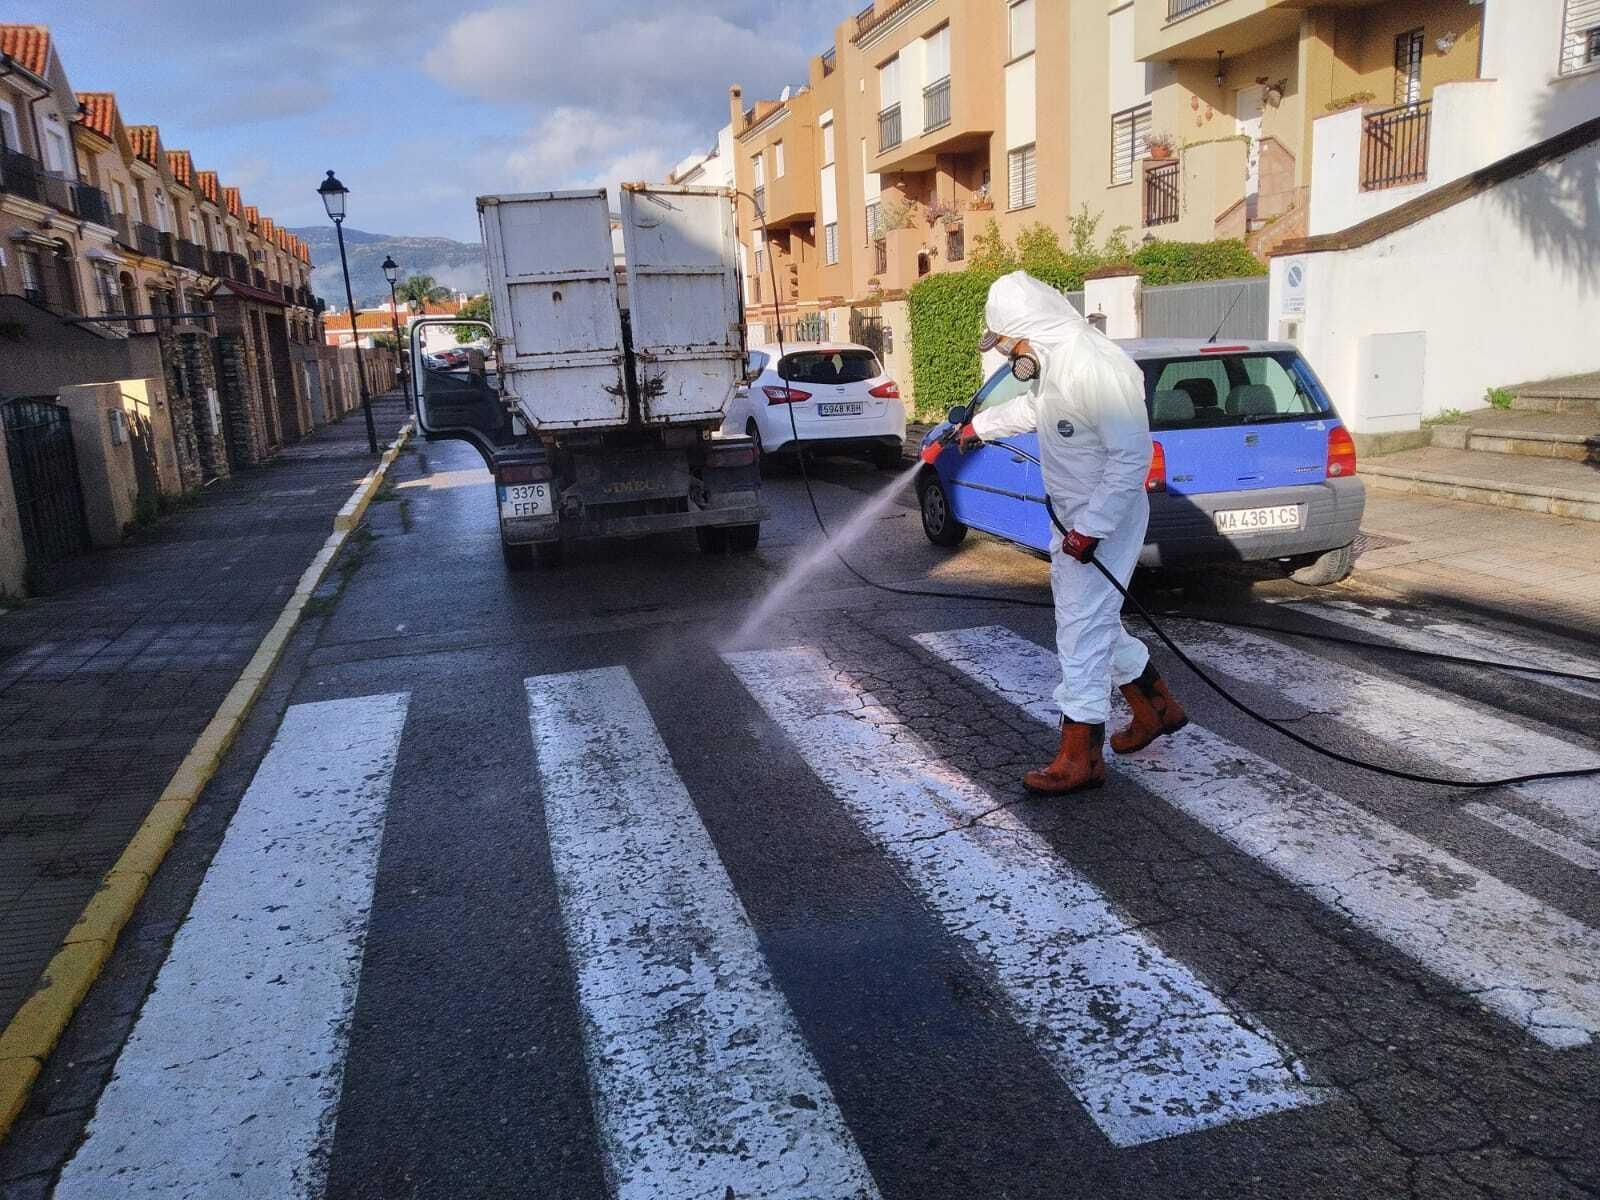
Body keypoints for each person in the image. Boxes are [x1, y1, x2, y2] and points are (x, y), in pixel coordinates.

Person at [960, 270, 1187, 794]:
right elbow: (1038, 408)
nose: (1008, 356)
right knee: (1093, 621)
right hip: (1077, 518)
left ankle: (1080, 756)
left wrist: (1091, 528)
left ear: (1030, 330)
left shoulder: (1094, 365)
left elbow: (1131, 456)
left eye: (1009, 344)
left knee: (1080, 631)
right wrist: (977, 427)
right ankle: (1156, 707)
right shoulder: (1056, 362)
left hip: (1102, 518)